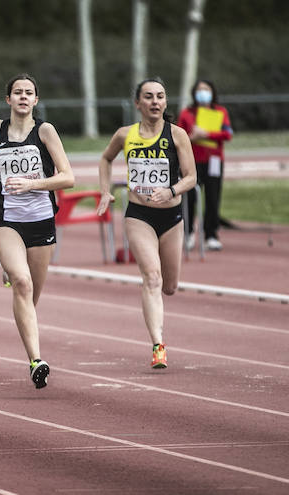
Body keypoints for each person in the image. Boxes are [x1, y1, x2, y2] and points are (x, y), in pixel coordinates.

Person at [0, 74, 74, 388]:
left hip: (41, 222)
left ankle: (14, 269)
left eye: (29, 93)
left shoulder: (45, 131)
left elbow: (68, 177)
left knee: (31, 297)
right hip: (8, 220)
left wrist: (33, 184)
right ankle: (36, 360)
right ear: (8, 99)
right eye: (17, 92)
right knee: (21, 284)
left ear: (36, 100)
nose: (23, 97)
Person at [95, 78, 197, 369]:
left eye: (160, 97)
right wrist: (105, 191)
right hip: (139, 215)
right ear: (138, 103)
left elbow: (191, 177)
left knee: (170, 286)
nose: (155, 102)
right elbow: (105, 159)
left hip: (171, 216)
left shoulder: (177, 135)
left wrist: (171, 190)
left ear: (165, 102)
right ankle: (158, 345)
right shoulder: (125, 134)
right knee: (151, 277)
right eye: (149, 97)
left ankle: (159, 323)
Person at [176, 79, 233, 251]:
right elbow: (179, 135)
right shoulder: (187, 113)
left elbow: (227, 133)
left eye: (206, 89)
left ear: (212, 92)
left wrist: (207, 134)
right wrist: (192, 137)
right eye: (200, 90)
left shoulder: (221, 111)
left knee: (213, 197)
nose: (203, 93)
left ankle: (211, 235)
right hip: (191, 161)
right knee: (189, 198)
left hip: (214, 161)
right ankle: (188, 233)